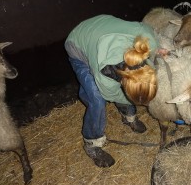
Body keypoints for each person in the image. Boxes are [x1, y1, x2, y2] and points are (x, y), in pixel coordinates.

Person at [64, 14, 160, 167]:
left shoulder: (150, 43)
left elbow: (145, 28)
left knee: (128, 91)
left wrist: (161, 52)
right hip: (78, 41)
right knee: (96, 99)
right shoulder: (105, 73)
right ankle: (92, 143)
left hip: (104, 26)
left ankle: (128, 117)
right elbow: (112, 94)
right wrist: (135, 99)